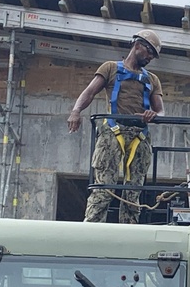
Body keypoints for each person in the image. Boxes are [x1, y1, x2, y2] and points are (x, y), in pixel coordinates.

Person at [68, 30, 165, 224]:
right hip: (113, 132)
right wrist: (76, 111)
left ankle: (129, 231)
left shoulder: (152, 79)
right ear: (137, 45)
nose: (150, 58)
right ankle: (92, 229)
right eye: (149, 52)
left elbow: (161, 111)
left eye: (153, 56)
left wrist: (153, 115)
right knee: (104, 187)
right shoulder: (110, 68)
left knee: (133, 192)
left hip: (140, 136)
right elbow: (89, 92)